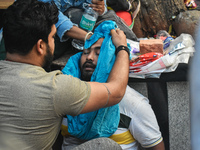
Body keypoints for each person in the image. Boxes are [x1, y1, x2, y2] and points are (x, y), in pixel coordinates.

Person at [0, 0, 130, 149]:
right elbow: (116, 91)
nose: (89, 57)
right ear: (41, 46)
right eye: (53, 37)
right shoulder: (55, 88)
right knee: (106, 146)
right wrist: (122, 47)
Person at [61, 20, 165, 150]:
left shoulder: (133, 104)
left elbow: (156, 147)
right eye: (86, 52)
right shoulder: (65, 94)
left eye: (99, 53)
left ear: (114, 60)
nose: (89, 57)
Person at [38, 0, 138, 59]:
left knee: (109, 18)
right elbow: (53, 16)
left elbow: (96, 9)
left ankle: (137, 48)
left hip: (81, 27)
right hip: (50, 31)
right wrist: (89, 37)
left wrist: (101, 9)